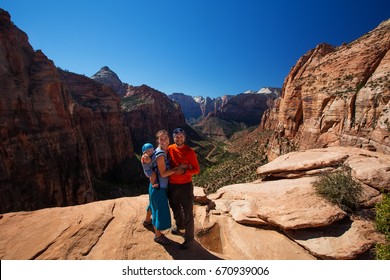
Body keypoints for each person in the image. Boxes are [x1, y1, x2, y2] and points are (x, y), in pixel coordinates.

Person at [167, 127, 200, 249]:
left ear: (184, 137)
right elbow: (159, 156)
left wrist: (184, 170)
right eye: (176, 136)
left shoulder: (190, 151)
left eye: (181, 136)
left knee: (188, 212)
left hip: (186, 186)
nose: (179, 138)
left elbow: (196, 170)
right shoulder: (169, 148)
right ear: (173, 137)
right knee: (175, 207)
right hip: (172, 185)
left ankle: (189, 238)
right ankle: (179, 225)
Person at [146, 130, 179, 245]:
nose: (164, 141)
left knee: (152, 205)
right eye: (161, 139)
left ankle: (146, 221)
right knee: (158, 211)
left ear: (169, 139)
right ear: (158, 140)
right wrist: (176, 169)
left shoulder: (160, 151)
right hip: (159, 187)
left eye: (166, 138)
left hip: (154, 186)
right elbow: (164, 173)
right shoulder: (160, 155)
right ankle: (158, 236)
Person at [140, 143, 159, 228]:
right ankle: (154, 184)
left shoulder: (151, 154)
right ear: (145, 152)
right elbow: (148, 163)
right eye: (148, 151)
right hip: (148, 172)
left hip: (150, 172)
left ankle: (147, 221)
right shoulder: (145, 157)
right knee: (153, 175)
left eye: (152, 150)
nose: (151, 152)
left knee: (152, 203)